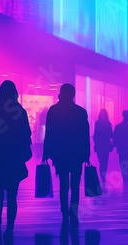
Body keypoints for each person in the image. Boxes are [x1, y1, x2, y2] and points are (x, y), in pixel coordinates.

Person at [0, 80, 32, 237]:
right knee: (12, 195)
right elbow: (26, 136)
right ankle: (10, 227)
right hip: (14, 158)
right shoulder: (19, 112)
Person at [43, 84, 90, 224]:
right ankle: (73, 210)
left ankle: (64, 210)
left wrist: (47, 152)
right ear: (73, 94)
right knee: (75, 184)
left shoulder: (54, 110)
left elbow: (49, 133)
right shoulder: (80, 112)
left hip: (60, 152)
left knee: (63, 183)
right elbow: (85, 135)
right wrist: (86, 154)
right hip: (76, 153)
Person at [93, 109, 113, 184]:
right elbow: (111, 135)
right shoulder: (108, 124)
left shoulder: (97, 123)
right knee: (105, 161)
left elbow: (95, 135)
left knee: (101, 161)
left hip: (99, 145)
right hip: (106, 145)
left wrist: (95, 143)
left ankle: (102, 175)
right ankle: (103, 176)